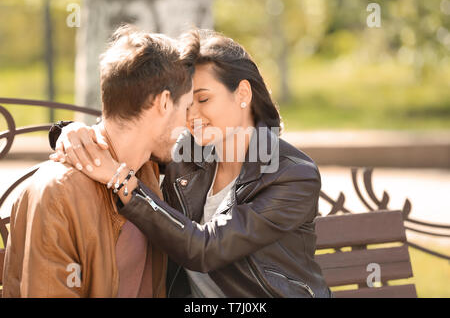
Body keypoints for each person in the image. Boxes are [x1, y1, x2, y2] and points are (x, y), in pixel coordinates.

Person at [49, 29, 332, 298]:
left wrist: (123, 183)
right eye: (186, 104)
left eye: (204, 99)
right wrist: (72, 132)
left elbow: (205, 249)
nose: (191, 116)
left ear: (243, 94)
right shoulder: (187, 152)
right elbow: (127, 135)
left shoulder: (292, 176)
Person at [2, 25, 194, 297]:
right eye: (185, 108)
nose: (188, 123)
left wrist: (65, 128)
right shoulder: (57, 194)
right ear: (164, 103)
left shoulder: (150, 169)